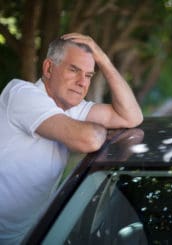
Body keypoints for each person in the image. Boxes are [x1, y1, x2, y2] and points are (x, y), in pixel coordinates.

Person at [0, 33, 143, 244]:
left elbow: (132, 117)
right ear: (49, 68)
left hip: (27, 235)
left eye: (88, 75)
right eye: (74, 70)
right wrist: (100, 130)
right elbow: (90, 139)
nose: (81, 82)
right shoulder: (22, 94)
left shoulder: (74, 108)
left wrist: (103, 59)